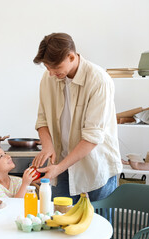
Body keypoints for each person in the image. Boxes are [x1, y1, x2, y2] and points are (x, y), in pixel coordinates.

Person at [32, 33, 122, 202]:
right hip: (62, 163)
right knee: (59, 221)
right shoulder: (49, 77)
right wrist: (47, 146)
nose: (50, 73)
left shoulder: (99, 81)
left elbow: (92, 137)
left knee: (99, 222)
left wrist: (58, 168)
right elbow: (42, 119)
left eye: (55, 67)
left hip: (96, 165)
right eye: (47, 67)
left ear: (71, 57)